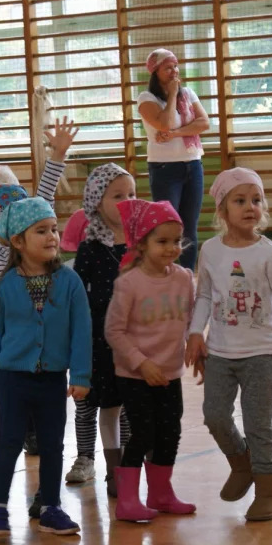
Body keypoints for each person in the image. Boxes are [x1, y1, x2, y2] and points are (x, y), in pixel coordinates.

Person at [0, 117, 78, 517]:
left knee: (44, 433)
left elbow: (41, 199)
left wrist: (58, 155)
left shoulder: (32, 253)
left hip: (40, 353)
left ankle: (44, 496)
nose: (4, 210)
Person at [186, 167, 272, 522]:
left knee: (258, 424)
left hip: (260, 354)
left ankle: (268, 494)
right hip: (220, 352)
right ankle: (242, 465)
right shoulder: (211, 250)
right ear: (222, 210)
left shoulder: (269, 252)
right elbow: (203, 295)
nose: (250, 206)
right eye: (240, 200)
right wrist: (194, 334)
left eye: (256, 200)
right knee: (215, 416)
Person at [0, 197, 91, 536]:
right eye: (41, 231)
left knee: (52, 444)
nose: (52, 237)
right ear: (18, 241)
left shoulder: (69, 282)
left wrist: (81, 373)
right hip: (12, 379)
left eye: (54, 229)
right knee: (9, 441)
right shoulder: (5, 287)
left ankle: (51, 507)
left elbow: (82, 329)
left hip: (53, 381)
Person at [105, 199, 196, 522]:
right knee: (143, 433)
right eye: (162, 241)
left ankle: (160, 493)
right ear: (141, 244)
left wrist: (198, 345)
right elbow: (114, 331)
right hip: (135, 374)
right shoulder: (128, 283)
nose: (172, 248)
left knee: (170, 432)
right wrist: (142, 363)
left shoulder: (184, 279)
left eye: (176, 241)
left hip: (170, 373)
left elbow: (191, 319)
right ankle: (127, 500)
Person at [64, 164, 135, 497]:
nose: (127, 201)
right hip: (99, 339)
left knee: (130, 407)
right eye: (118, 195)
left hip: (136, 338)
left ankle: (131, 469)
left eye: (132, 195)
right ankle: (111, 468)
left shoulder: (142, 240)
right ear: (97, 201)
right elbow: (78, 295)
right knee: (104, 405)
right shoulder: (90, 247)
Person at [137, 48, 210, 269]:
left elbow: (204, 123)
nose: (174, 71)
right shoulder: (146, 98)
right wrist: (171, 96)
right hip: (165, 168)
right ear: (155, 72)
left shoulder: (188, 94)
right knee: (167, 224)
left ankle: (188, 273)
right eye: (168, 67)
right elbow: (165, 123)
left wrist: (177, 134)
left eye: (175, 66)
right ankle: (164, 269)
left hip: (193, 164)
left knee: (190, 225)